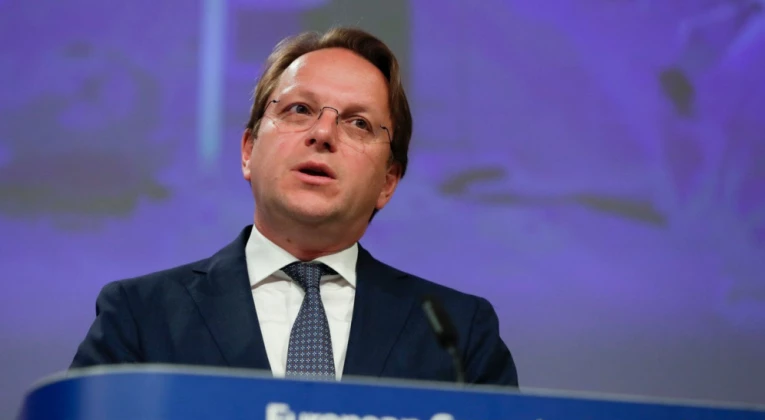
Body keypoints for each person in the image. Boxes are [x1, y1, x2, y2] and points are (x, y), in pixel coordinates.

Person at [70, 27, 518, 387]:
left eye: (358, 123)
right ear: (248, 150)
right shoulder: (140, 316)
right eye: (300, 109)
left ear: (387, 183)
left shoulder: (457, 335)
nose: (323, 134)